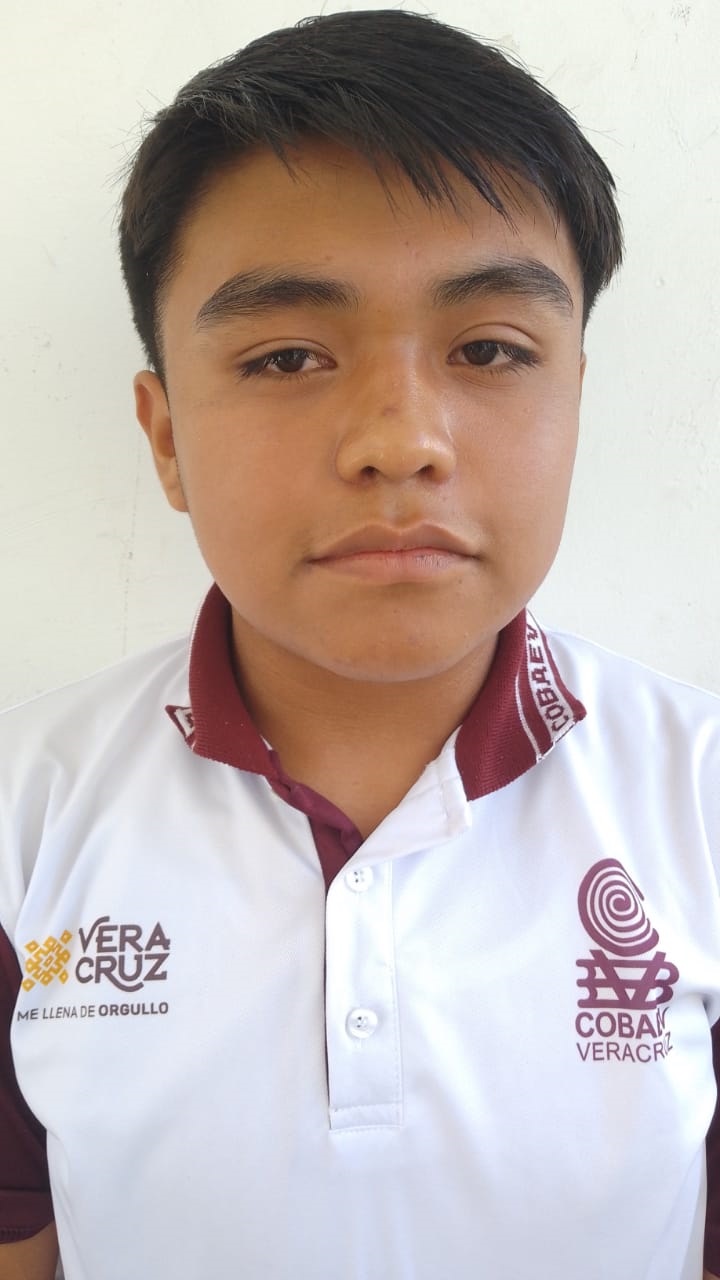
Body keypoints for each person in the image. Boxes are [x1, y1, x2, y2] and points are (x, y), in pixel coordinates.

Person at [1, 9, 718, 1279]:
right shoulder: (23, 812)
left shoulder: (699, 796)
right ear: (165, 439)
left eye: (490, 348)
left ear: (575, 399)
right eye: (288, 355)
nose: (401, 440)